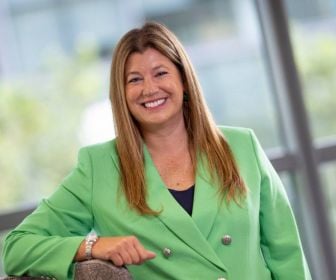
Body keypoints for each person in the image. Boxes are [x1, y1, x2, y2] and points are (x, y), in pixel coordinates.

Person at [2, 22, 311, 280]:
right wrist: (93, 246)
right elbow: (15, 248)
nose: (149, 89)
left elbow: (286, 255)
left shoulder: (242, 146)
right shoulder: (99, 167)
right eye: (135, 80)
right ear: (122, 95)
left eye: (161, 73)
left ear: (184, 80)